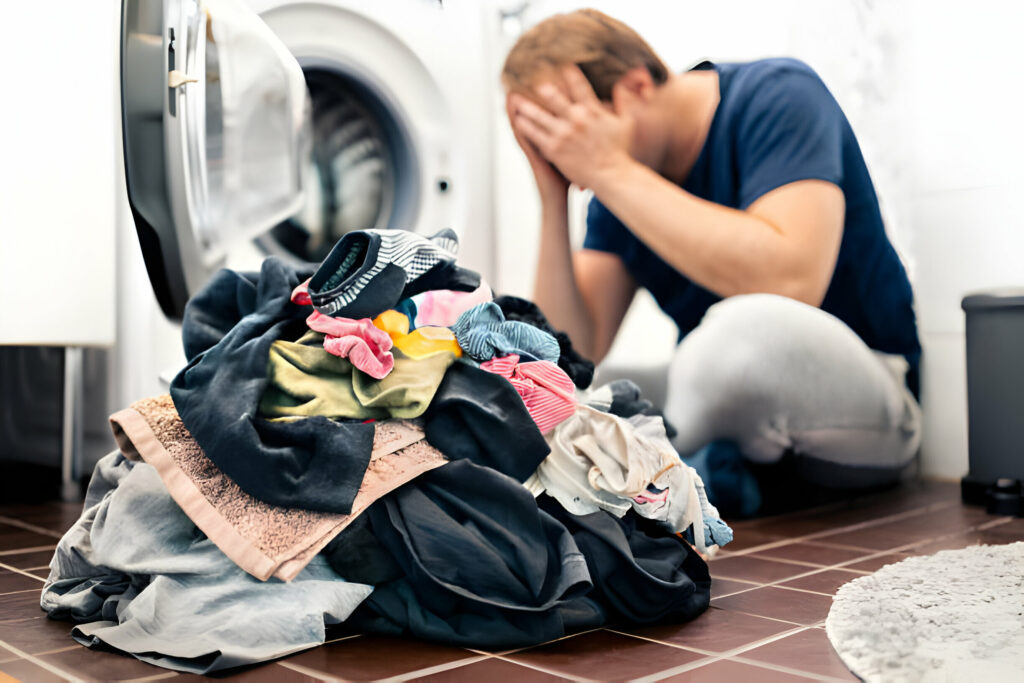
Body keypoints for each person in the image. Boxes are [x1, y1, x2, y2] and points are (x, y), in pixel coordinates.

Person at [501, 9, 922, 516]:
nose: (581, 164)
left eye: (579, 135)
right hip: (725, 409)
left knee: (733, 342)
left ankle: (653, 478)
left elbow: (789, 283)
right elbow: (570, 352)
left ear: (636, 86)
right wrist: (553, 195)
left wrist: (607, 167)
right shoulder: (619, 184)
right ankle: (688, 472)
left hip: (873, 405)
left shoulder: (778, 94)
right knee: (552, 391)